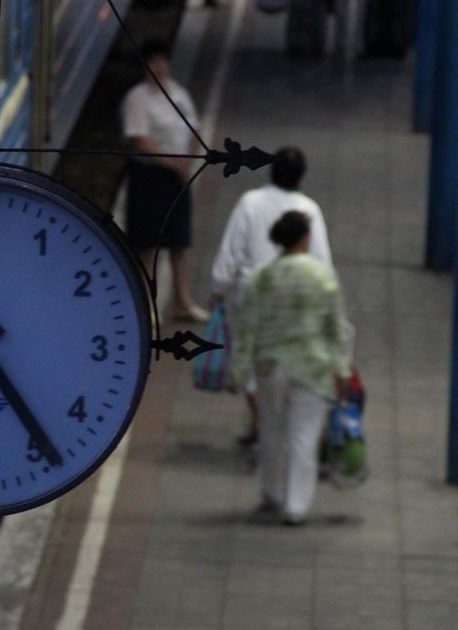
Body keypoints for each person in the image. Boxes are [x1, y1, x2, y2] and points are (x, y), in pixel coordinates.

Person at [232, 211, 351, 525]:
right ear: (305, 238)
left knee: (271, 430)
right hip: (313, 367)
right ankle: (296, 506)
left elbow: (246, 327)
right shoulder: (322, 276)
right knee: (303, 437)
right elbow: (336, 327)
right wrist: (342, 368)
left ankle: (271, 492)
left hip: (270, 366)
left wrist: (239, 369)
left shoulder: (262, 277)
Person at [210, 147, 332, 447]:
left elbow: (232, 249)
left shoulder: (249, 202)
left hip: (251, 292)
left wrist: (219, 286)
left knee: (253, 358)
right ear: (302, 175)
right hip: (293, 295)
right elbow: (322, 260)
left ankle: (261, 419)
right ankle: (278, 422)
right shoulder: (309, 209)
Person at [121, 41, 209, 323]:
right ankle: (147, 305)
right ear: (144, 67)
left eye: (162, 61)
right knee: (146, 243)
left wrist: (187, 162)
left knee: (179, 241)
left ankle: (183, 301)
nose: (159, 67)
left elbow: (194, 128)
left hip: (177, 176)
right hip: (149, 177)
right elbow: (141, 140)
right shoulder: (137, 99)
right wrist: (174, 163)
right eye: (153, 62)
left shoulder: (178, 93)